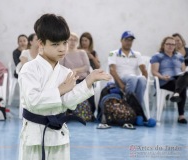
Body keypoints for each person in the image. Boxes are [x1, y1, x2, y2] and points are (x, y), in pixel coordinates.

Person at [18, 13, 112, 160]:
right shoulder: (29, 69)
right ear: (41, 43)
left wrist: (88, 80)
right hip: (34, 136)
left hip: (58, 136)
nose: (62, 49)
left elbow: (67, 102)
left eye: (64, 43)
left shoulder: (65, 72)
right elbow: (33, 101)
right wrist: (61, 90)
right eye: (55, 44)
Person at [151, 36, 188, 124]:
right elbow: (154, 72)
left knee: (184, 77)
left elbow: (183, 70)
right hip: (165, 81)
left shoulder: (179, 56)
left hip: (178, 79)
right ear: (163, 45)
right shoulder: (157, 56)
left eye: (172, 44)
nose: (170, 46)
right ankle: (181, 116)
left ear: (175, 46)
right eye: (168, 44)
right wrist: (162, 77)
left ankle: (176, 93)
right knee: (182, 86)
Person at [108, 31, 147, 106]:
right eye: (126, 40)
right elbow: (112, 70)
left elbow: (144, 70)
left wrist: (144, 81)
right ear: (121, 40)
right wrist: (121, 85)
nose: (128, 42)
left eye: (130, 40)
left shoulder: (137, 54)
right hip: (119, 80)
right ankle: (128, 105)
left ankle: (137, 108)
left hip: (134, 80)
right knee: (133, 78)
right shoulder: (113, 53)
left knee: (142, 79)